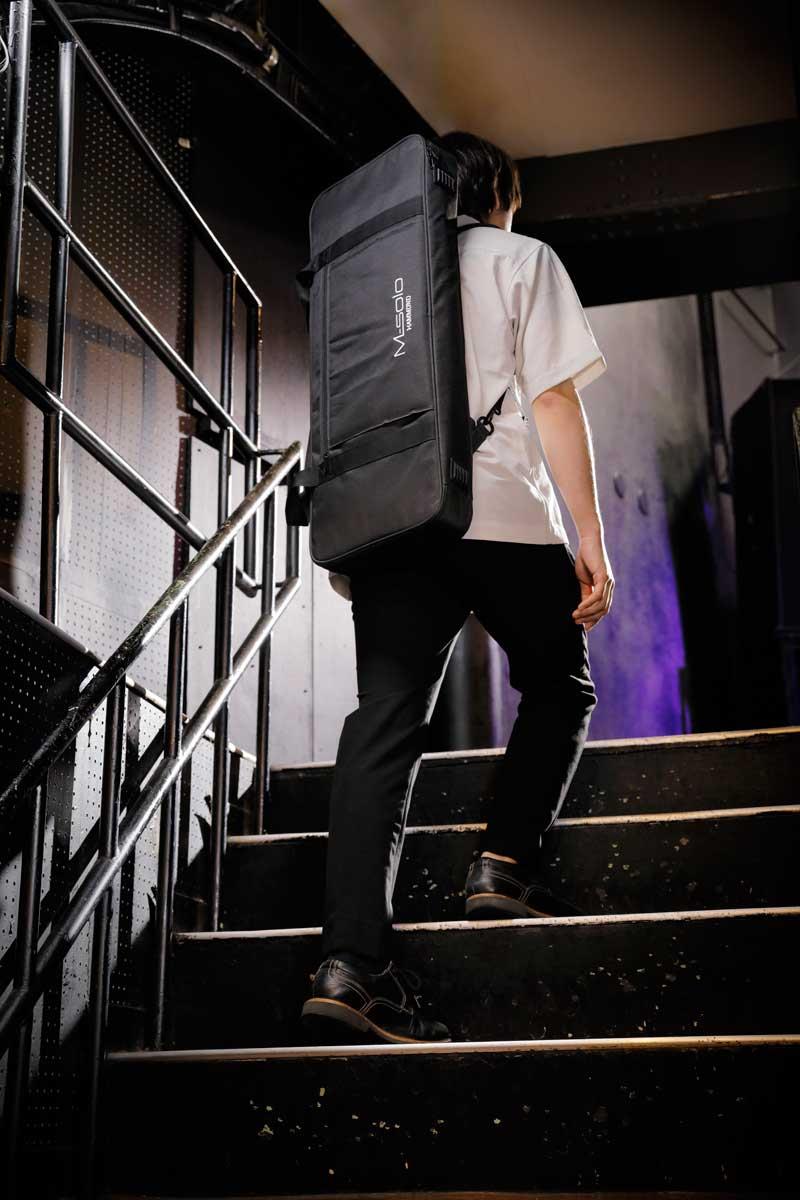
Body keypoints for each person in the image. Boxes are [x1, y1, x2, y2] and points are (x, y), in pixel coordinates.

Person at [301, 131, 614, 1045]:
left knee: (384, 726)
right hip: (500, 514)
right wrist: (590, 538)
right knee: (559, 683)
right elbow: (552, 398)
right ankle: (504, 864)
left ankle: (349, 966)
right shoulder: (521, 258)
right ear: (498, 197)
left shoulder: (364, 278)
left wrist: (352, 547)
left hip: (393, 526)